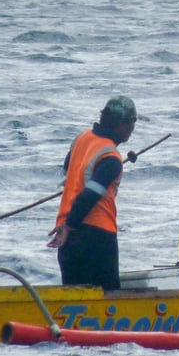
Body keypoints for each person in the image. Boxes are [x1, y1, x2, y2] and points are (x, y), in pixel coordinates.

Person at [47, 95, 137, 288]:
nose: (132, 128)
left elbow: (67, 172)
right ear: (123, 125)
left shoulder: (81, 138)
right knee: (107, 300)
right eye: (132, 122)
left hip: (68, 240)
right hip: (96, 238)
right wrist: (71, 226)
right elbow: (88, 196)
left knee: (74, 303)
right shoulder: (111, 158)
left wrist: (67, 227)